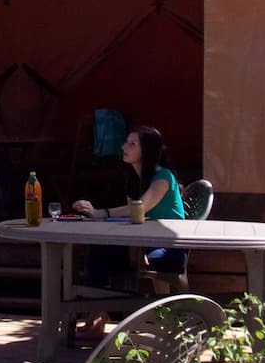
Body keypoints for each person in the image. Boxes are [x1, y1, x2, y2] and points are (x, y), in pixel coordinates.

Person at [70, 126, 186, 337]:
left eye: (132, 144)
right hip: (142, 243)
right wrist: (94, 213)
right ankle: (97, 315)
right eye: (126, 142)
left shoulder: (163, 177)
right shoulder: (134, 179)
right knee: (98, 250)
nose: (124, 147)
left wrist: (101, 213)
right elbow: (133, 218)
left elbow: (140, 209)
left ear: (147, 150)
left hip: (168, 246)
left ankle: (166, 321)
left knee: (154, 260)